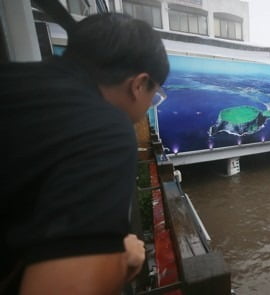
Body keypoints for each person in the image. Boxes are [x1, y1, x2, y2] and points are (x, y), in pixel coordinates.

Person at [0, 12, 169, 294]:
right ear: (139, 84)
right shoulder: (107, 129)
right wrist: (121, 259)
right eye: (155, 96)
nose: (151, 106)